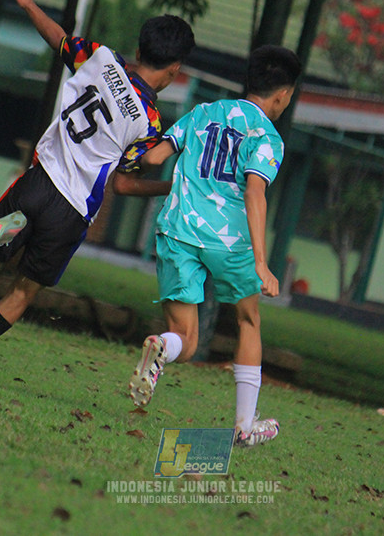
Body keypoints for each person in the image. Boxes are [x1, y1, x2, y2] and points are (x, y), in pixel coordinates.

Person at [0, 0, 195, 374]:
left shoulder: (100, 59)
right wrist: (170, 188)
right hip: (70, 214)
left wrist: (29, 3)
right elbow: (121, 183)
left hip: (38, 181)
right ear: (175, 70)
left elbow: (59, 40)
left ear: (139, 50)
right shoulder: (149, 122)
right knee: (21, 293)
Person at [128, 44, 301, 447]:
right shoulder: (267, 137)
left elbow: (153, 158)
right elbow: (254, 193)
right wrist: (261, 262)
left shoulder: (204, 111)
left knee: (185, 340)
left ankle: (161, 349)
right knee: (248, 321)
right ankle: (243, 425)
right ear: (282, 95)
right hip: (229, 242)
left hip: (177, 229)